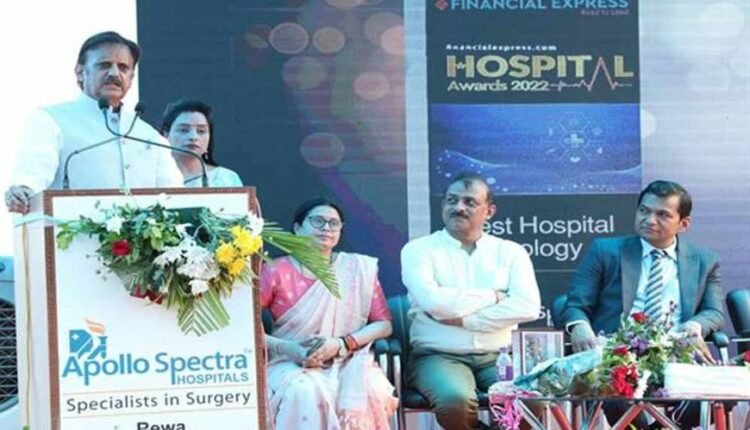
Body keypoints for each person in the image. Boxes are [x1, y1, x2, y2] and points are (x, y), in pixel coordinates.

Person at [562, 179, 725, 428]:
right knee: (612, 387)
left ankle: (666, 425)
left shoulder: (704, 261)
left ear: (683, 224)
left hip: (676, 356)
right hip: (618, 357)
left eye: (662, 214)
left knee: (724, 391)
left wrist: (695, 326)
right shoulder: (605, 251)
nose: (650, 220)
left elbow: (713, 311)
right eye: (644, 211)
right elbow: (575, 305)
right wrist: (579, 326)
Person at [401, 173, 541, 430]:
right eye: (452, 200)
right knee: (455, 400)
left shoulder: (510, 252)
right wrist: (493, 296)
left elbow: (528, 306)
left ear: (489, 211)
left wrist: (466, 320)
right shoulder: (419, 250)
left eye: (470, 202)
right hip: (438, 356)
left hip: (500, 357)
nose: (459, 207)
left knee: (531, 400)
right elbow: (434, 303)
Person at [4, 31, 183, 214]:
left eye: (123, 68)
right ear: (80, 72)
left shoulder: (148, 135)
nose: (114, 73)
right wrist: (23, 190)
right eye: (104, 65)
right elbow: (33, 174)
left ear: (131, 78)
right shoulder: (51, 120)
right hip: (72, 230)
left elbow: (176, 196)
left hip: (145, 233)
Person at [260, 198, 397, 430]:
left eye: (334, 223)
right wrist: (289, 348)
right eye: (318, 221)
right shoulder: (276, 270)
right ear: (297, 228)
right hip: (292, 362)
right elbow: (246, 325)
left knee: (374, 389)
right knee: (304, 391)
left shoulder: (357, 269)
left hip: (348, 360)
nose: (326, 228)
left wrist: (342, 344)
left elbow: (384, 324)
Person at [161, 99, 243, 187]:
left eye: (201, 131)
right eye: (184, 130)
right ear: (166, 134)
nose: (193, 137)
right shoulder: (153, 175)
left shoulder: (226, 179)